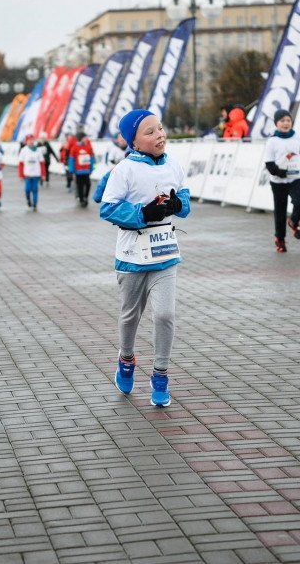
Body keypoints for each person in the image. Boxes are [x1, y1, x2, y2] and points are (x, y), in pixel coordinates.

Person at [100, 109, 191, 407]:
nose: (159, 135)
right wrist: (142, 214)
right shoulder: (124, 170)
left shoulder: (174, 165)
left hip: (165, 254)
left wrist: (177, 203)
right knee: (131, 316)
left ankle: (160, 374)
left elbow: (186, 203)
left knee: (165, 315)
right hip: (131, 256)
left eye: (160, 128)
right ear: (134, 143)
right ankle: (126, 359)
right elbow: (108, 208)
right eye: (149, 132)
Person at [263, 109, 300, 252]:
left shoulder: (297, 138)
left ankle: (294, 221)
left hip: (295, 178)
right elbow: (269, 164)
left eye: (288, 120)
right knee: (280, 213)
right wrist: (279, 172)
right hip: (278, 182)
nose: (286, 123)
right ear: (276, 124)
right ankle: (280, 239)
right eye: (282, 121)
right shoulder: (272, 141)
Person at [17, 134, 46, 211]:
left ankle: (35, 204)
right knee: (27, 189)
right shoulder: (23, 150)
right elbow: (20, 164)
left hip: (36, 173)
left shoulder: (38, 150)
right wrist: (20, 175)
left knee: (35, 189)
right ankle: (28, 199)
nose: (31, 142)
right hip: (27, 174)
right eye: (29, 140)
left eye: (32, 140)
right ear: (26, 141)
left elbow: (42, 163)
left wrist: (43, 174)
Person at [69, 133, 95, 208]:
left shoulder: (88, 147)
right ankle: (81, 199)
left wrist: (91, 168)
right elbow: (71, 160)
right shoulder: (74, 147)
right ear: (80, 138)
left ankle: (85, 197)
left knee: (88, 184)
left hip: (86, 170)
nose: (86, 139)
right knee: (80, 186)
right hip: (78, 171)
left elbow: (92, 158)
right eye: (84, 138)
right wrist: (72, 170)